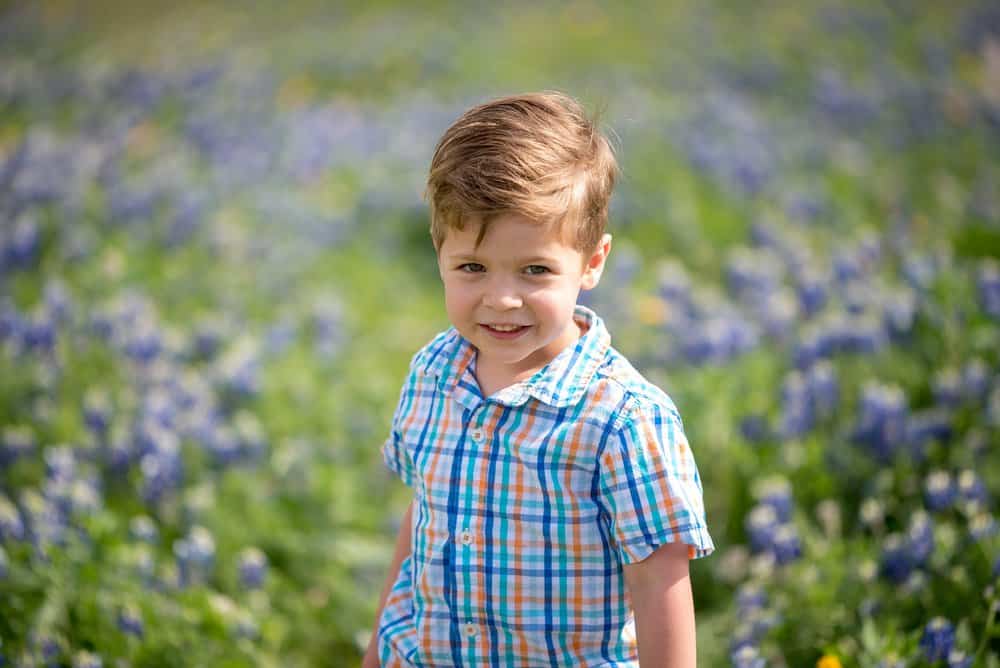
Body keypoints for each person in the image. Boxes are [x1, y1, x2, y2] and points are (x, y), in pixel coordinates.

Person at [362, 91, 714, 667]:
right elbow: (421, 522)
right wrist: (377, 653)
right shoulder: (432, 375)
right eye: (472, 267)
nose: (502, 299)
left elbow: (659, 587)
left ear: (592, 262)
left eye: (536, 270)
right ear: (438, 252)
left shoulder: (624, 420)